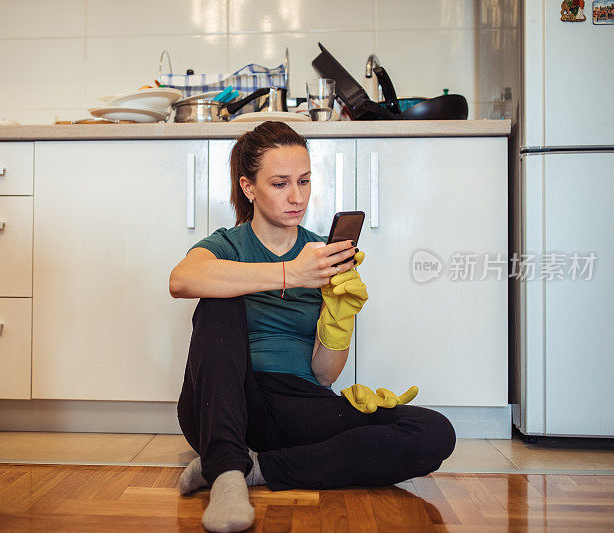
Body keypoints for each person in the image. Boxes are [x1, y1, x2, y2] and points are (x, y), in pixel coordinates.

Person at [168, 121, 456, 533]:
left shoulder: (323, 252)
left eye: (304, 181)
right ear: (249, 188)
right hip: (223, 402)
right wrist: (291, 274)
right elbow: (181, 280)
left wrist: (340, 316)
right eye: (280, 183)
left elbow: (323, 374)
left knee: (431, 432)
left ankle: (256, 469)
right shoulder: (228, 245)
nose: (297, 196)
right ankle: (227, 474)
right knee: (218, 298)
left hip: (295, 405)